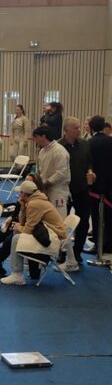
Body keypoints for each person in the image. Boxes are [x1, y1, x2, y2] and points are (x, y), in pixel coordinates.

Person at [0, 179, 67, 285]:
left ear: (23, 194)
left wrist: (18, 227)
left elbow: (27, 229)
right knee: (17, 234)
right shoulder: (35, 200)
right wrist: (22, 207)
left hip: (53, 238)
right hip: (51, 234)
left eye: (20, 192)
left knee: (16, 238)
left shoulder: (34, 204)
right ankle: (18, 273)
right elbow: (24, 222)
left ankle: (17, 274)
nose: (19, 194)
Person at [0, 174, 45, 279]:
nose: (25, 184)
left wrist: (18, 224)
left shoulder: (37, 200)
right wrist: (10, 218)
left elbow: (29, 221)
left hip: (27, 227)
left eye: (29, 182)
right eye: (25, 181)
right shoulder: (22, 195)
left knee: (9, 241)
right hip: (15, 223)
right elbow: (16, 213)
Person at [58, 117, 93, 271]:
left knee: (83, 222)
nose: (79, 130)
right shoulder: (58, 147)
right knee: (61, 222)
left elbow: (90, 162)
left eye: (79, 127)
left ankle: (77, 252)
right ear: (66, 130)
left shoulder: (85, 144)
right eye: (75, 128)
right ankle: (62, 252)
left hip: (82, 189)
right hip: (64, 190)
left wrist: (91, 171)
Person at [32, 125, 70, 218]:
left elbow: (61, 172)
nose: (34, 140)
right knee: (47, 217)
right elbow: (40, 170)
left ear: (43, 136)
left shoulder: (59, 151)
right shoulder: (42, 151)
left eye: (36, 137)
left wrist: (47, 183)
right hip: (45, 190)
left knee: (59, 218)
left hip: (58, 191)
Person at [87, 115, 112, 255]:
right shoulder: (110, 141)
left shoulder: (89, 143)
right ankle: (109, 243)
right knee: (109, 216)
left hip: (95, 185)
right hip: (110, 184)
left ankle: (98, 244)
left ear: (91, 127)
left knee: (96, 216)